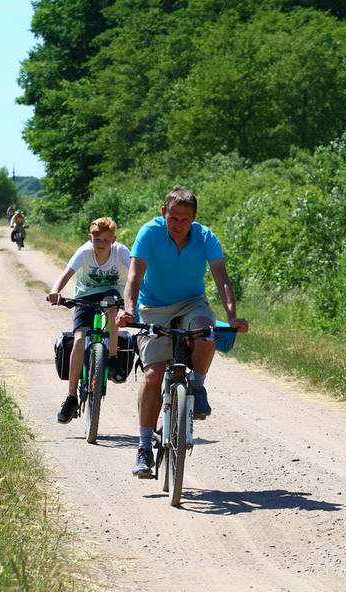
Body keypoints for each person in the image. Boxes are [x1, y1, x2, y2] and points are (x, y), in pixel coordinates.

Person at [117, 186, 248, 477]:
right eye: (173, 218)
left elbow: (222, 279)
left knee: (206, 330)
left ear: (194, 218)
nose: (178, 225)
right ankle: (143, 448)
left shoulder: (205, 237)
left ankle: (198, 385)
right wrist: (129, 310)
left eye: (185, 220)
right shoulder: (149, 233)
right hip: (153, 307)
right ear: (164, 213)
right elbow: (134, 277)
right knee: (152, 376)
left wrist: (233, 316)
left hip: (192, 304)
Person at [47, 217, 131, 424]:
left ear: (113, 240)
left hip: (112, 293)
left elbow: (135, 275)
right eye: (96, 238)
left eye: (105, 239)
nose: (100, 243)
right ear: (90, 237)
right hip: (84, 295)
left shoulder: (121, 252)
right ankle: (71, 397)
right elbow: (66, 273)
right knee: (78, 339)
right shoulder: (84, 252)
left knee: (111, 310)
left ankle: (111, 358)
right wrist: (55, 290)